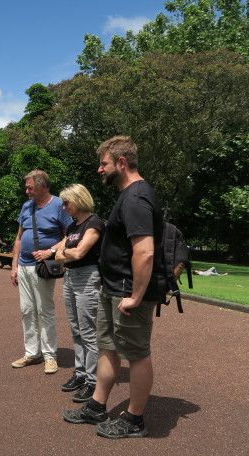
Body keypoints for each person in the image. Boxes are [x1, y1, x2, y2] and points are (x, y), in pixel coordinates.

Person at [63, 136, 165, 439]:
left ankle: (135, 420)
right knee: (107, 347)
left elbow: (144, 251)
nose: (99, 169)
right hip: (112, 288)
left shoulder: (136, 198)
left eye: (103, 163)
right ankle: (97, 406)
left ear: (121, 163)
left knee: (136, 353)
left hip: (127, 293)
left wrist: (135, 296)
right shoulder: (127, 195)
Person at [11, 170, 73, 374]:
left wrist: (51, 251)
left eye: (30, 187)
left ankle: (49, 356)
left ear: (43, 186)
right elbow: (19, 238)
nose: (26, 190)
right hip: (24, 265)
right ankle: (32, 353)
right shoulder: (26, 206)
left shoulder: (59, 205)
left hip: (43, 267)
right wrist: (14, 266)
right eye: (26, 186)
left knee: (45, 311)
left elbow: (70, 237)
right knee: (26, 310)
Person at [53, 184, 105, 402]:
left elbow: (81, 252)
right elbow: (58, 254)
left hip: (87, 277)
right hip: (70, 277)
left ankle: (93, 381)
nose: (63, 207)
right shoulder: (74, 227)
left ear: (79, 200)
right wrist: (67, 253)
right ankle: (81, 373)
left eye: (66, 203)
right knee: (76, 329)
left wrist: (65, 252)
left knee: (88, 330)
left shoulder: (95, 223)